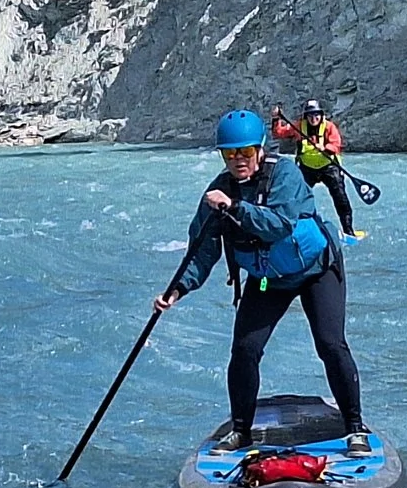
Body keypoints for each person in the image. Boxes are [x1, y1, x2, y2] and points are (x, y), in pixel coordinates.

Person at [156, 109, 369, 453]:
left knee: (330, 344)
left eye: (244, 151)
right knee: (244, 349)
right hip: (268, 279)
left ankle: (354, 428)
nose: (237, 160)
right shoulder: (218, 192)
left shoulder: (285, 174)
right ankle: (241, 431)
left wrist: (234, 208)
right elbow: (201, 250)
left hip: (316, 270)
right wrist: (177, 289)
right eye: (229, 154)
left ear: (259, 148)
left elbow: (279, 225)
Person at [272, 98, 360, 236]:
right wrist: (276, 118)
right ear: (306, 116)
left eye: (316, 115)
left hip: (328, 167)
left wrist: (325, 147)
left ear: (321, 115)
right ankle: (294, 229)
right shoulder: (299, 126)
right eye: (310, 115)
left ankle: (348, 231)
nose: (313, 118)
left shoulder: (329, 127)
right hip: (307, 168)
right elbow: (278, 133)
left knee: (341, 199)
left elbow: (336, 145)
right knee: (296, 198)